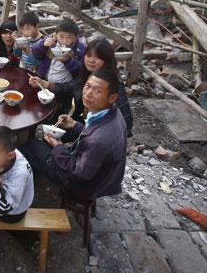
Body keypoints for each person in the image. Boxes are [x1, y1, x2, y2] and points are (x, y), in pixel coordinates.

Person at [20, 70, 127, 200]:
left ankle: (22, 185)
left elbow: (77, 173)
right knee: (42, 150)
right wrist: (74, 125)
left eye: (97, 91)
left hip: (82, 185)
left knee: (32, 146)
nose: (88, 94)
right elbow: (92, 133)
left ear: (112, 97)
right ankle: (39, 169)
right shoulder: (114, 113)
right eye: (87, 86)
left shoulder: (98, 140)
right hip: (102, 177)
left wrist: (58, 146)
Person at [29, 38, 133, 136]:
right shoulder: (86, 73)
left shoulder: (114, 83)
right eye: (88, 55)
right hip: (83, 119)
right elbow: (68, 86)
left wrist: (95, 133)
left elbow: (126, 120)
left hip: (100, 128)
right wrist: (45, 84)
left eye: (97, 57)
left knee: (57, 134)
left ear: (107, 60)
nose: (91, 60)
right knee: (52, 125)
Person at [31, 18, 86, 85]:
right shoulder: (50, 40)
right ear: (56, 34)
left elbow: (81, 71)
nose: (64, 41)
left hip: (65, 85)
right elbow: (35, 54)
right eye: (61, 36)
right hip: (44, 80)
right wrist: (43, 45)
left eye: (69, 37)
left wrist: (68, 61)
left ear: (76, 36)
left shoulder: (80, 48)